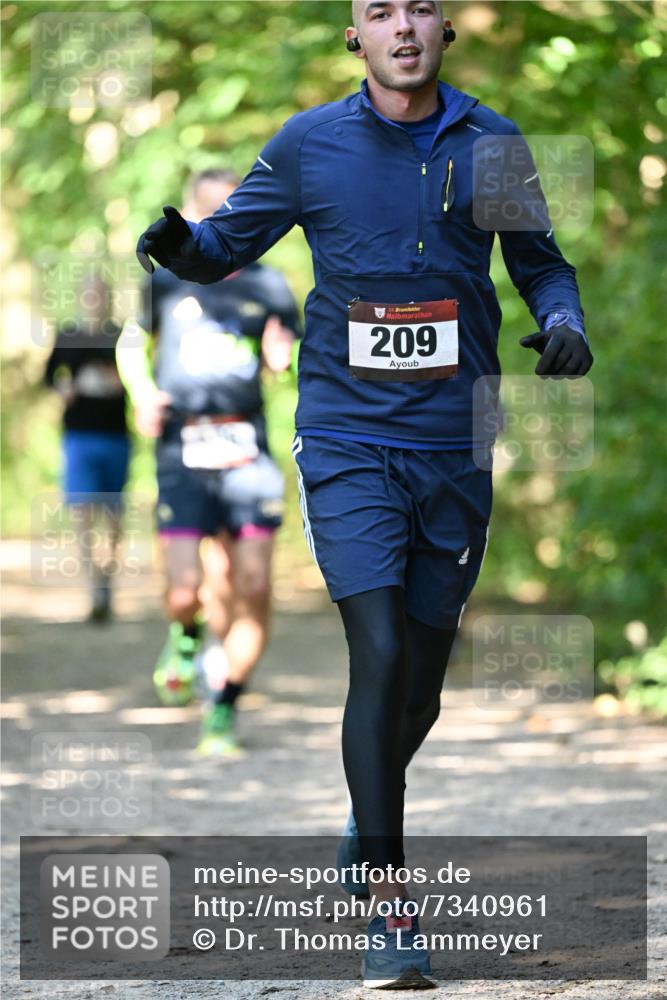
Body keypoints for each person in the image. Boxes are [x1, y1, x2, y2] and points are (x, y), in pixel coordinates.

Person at [136, 1, 593, 987]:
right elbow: (224, 248)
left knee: (420, 683)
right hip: (344, 433)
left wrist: (565, 323)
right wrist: (177, 242)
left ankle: (364, 818)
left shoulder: (495, 144)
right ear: (355, 33)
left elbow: (542, 266)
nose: (402, 25)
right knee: (376, 650)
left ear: (442, 30)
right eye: (380, 9)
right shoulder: (309, 144)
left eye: (421, 7)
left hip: (454, 439)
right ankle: (390, 908)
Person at [119, 168, 299, 757]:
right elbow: (129, 344)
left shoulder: (271, 285)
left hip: (246, 446)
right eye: (209, 214)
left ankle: (223, 707)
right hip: (182, 446)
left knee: (250, 584)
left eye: (232, 213)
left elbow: (285, 356)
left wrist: (282, 358)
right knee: (185, 589)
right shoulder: (167, 281)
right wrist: (143, 392)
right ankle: (187, 636)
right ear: (193, 219)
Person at [44, 275, 130, 623]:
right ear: (81, 298)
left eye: (100, 293)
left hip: (115, 436)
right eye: (89, 294)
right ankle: (92, 585)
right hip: (78, 435)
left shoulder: (122, 335)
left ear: (108, 298)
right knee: (81, 512)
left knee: (112, 516)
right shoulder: (68, 334)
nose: (95, 299)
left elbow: (139, 375)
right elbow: (48, 375)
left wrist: (119, 384)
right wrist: (64, 387)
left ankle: (106, 579)